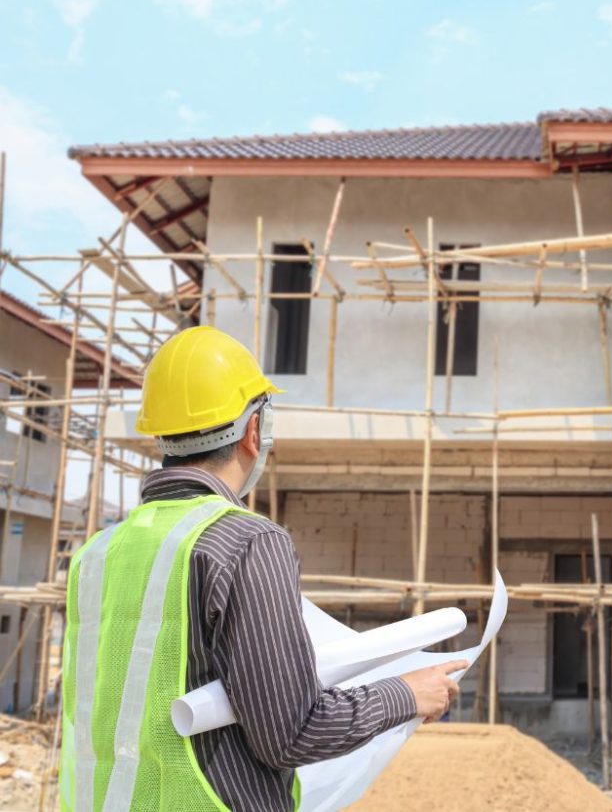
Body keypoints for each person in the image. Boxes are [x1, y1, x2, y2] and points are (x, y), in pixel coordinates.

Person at [60, 325, 467, 811]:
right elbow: (293, 731)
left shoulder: (97, 553)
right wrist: (406, 693)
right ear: (254, 430)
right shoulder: (246, 541)